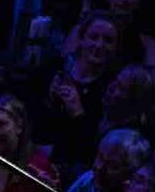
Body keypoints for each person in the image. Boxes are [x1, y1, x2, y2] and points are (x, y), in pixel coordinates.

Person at [40, 11, 121, 173]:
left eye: (108, 41)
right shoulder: (56, 68)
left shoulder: (112, 87)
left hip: (75, 165)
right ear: (82, 39)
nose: (99, 46)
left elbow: (94, 148)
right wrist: (48, 99)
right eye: (94, 37)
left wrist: (78, 113)